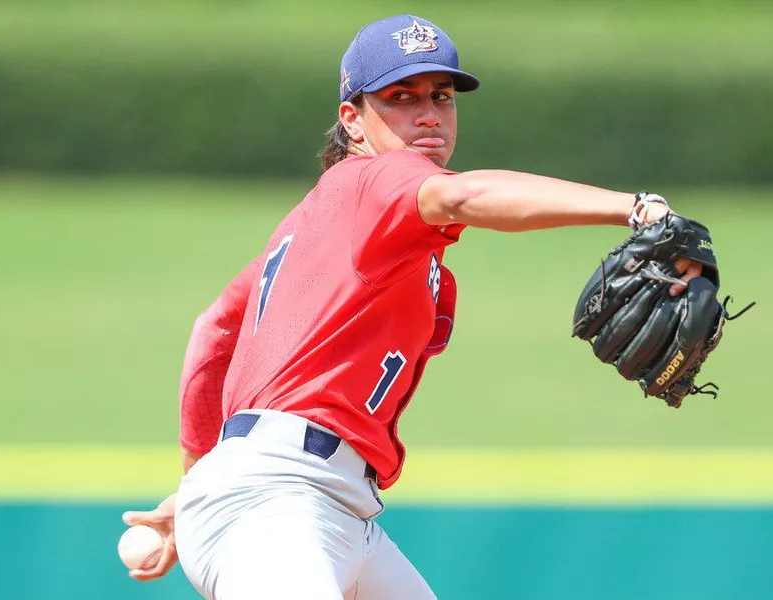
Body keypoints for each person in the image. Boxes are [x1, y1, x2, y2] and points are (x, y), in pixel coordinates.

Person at [122, 14, 701, 599]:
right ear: (353, 120)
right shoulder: (376, 179)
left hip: (325, 506)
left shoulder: (326, 223)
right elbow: (462, 195)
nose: (428, 113)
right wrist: (638, 208)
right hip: (278, 502)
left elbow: (214, 329)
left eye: (441, 97)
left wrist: (199, 481)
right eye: (401, 98)